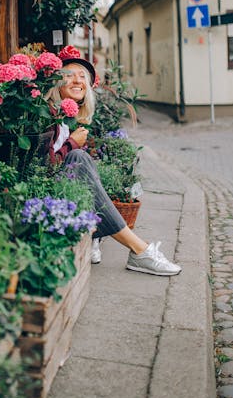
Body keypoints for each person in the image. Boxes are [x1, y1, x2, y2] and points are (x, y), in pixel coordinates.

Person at [47, 45, 181, 276]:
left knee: (87, 160)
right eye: (69, 75)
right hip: (42, 195)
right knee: (78, 157)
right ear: (57, 84)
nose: (78, 81)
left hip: (58, 190)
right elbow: (44, 165)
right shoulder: (46, 115)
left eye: (83, 77)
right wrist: (73, 144)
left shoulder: (67, 119)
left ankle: (96, 235)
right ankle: (140, 250)